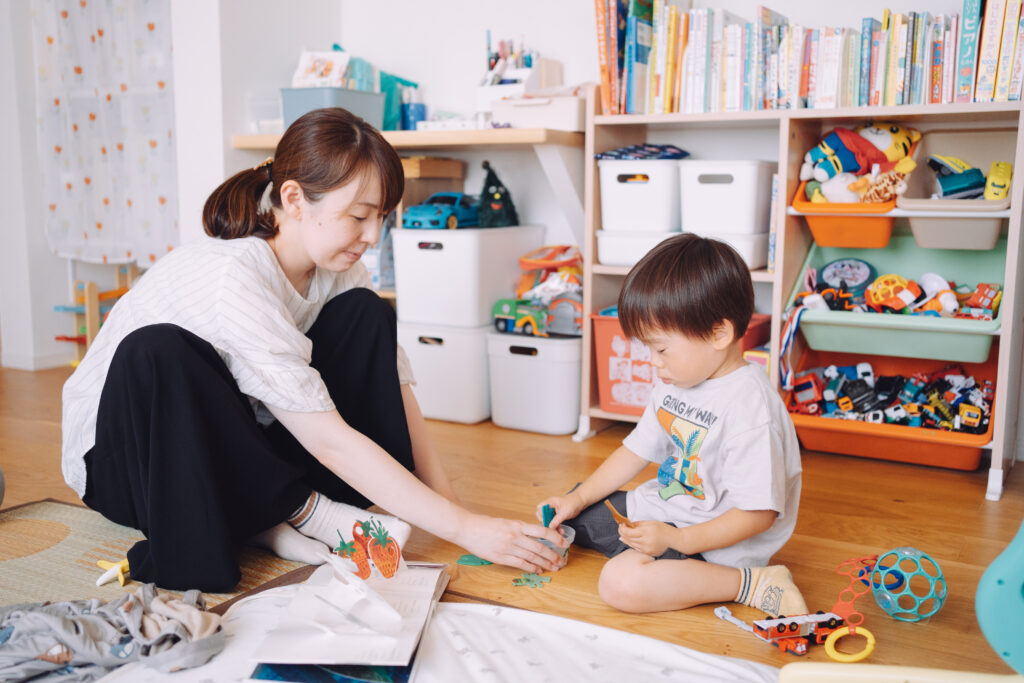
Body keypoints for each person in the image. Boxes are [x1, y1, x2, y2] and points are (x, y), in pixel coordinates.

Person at [61, 107, 564, 592]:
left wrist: (459, 516)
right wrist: (465, 530)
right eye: (359, 216)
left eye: (382, 218)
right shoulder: (234, 276)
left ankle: (270, 520)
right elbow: (327, 441)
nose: (372, 236)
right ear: (295, 199)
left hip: (239, 446)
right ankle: (299, 514)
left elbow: (396, 388)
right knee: (159, 350)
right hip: (133, 464)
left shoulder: (339, 267)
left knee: (368, 313)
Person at [539, 234, 806, 618]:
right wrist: (576, 500)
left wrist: (677, 538)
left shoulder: (751, 411)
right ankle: (656, 553)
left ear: (719, 333)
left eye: (660, 349)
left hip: (714, 539)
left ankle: (751, 583)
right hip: (672, 510)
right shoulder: (677, 379)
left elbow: (758, 515)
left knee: (621, 584)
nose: (653, 362)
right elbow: (634, 451)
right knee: (574, 513)